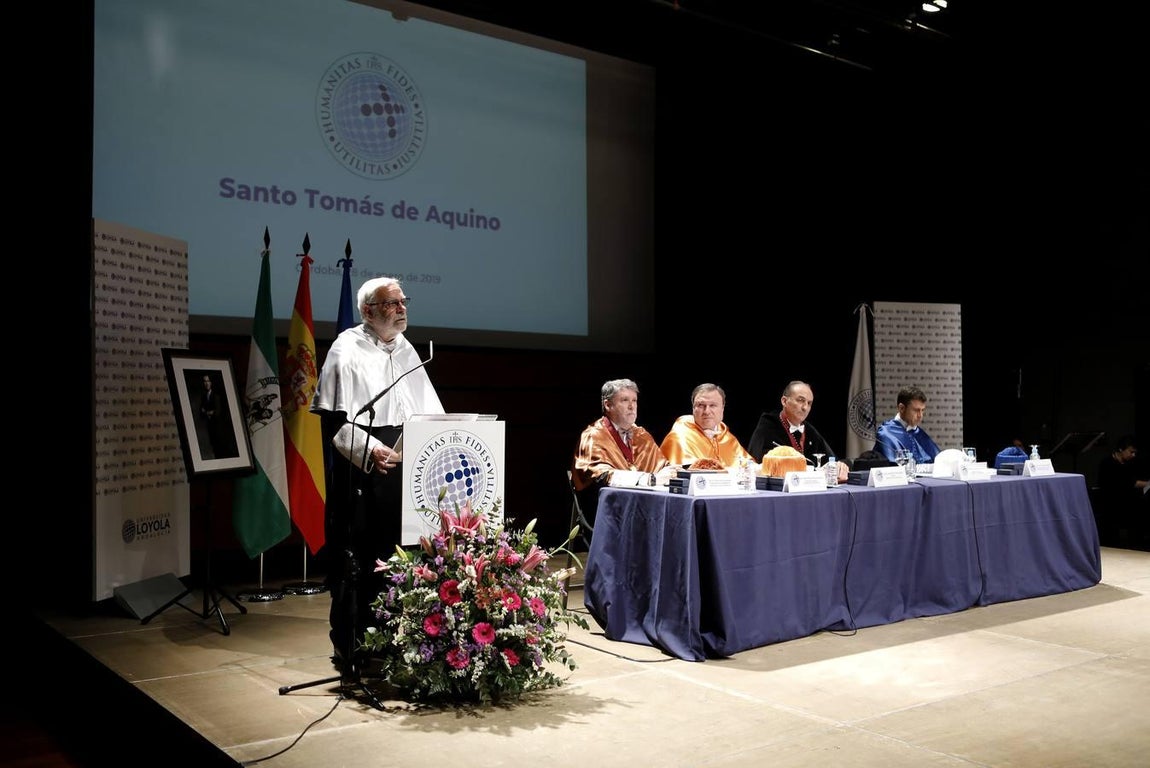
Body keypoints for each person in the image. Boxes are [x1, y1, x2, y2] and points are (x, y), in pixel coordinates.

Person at [310, 276, 444, 669]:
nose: (402, 309)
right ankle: (355, 646)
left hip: (405, 470)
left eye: (403, 301)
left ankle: (402, 641)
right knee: (363, 557)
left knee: (402, 554)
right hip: (363, 472)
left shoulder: (406, 349)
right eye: (391, 303)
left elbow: (427, 411)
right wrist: (369, 450)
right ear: (368, 311)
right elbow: (333, 421)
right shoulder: (346, 348)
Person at [572, 379, 677, 527]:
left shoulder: (641, 435)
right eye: (625, 400)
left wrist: (672, 472)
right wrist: (650, 479)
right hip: (609, 513)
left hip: (645, 508)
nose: (631, 406)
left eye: (634, 400)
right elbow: (602, 477)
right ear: (608, 405)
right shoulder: (593, 435)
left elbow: (663, 467)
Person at [747, 380, 848, 483]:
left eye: (809, 403)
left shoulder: (810, 430)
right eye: (800, 400)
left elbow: (832, 460)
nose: (805, 407)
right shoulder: (768, 426)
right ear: (784, 401)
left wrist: (839, 466)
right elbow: (761, 468)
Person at [660, 383, 752, 469]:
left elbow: (750, 467)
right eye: (701, 405)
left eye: (713, 405)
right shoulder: (680, 435)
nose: (707, 411)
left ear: (722, 408)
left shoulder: (727, 437)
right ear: (693, 408)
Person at [1096, 435, 1149, 549]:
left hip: (1127, 502)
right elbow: (1128, 482)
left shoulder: (1130, 463)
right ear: (1121, 449)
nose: (1133, 455)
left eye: (1135, 453)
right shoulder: (1107, 464)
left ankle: (1138, 545)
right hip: (1111, 504)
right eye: (1131, 452)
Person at [875, 386, 941, 465]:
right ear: (902, 408)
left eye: (922, 410)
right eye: (916, 410)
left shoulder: (919, 433)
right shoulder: (886, 434)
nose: (920, 415)